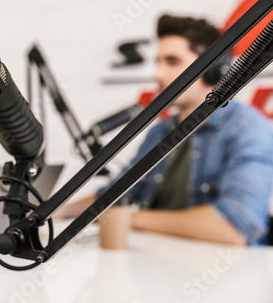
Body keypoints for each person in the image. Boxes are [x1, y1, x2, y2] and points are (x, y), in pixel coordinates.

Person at [59, 14, 273, 245]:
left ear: (216, 70)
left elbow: (235, 228)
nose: (157, 75)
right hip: (157, 268)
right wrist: (55, 213)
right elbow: (114, 196)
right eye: (158, 62)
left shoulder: (250, 129)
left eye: (172, 61)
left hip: (224, 276)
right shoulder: (159, 132)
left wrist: (130, 219)